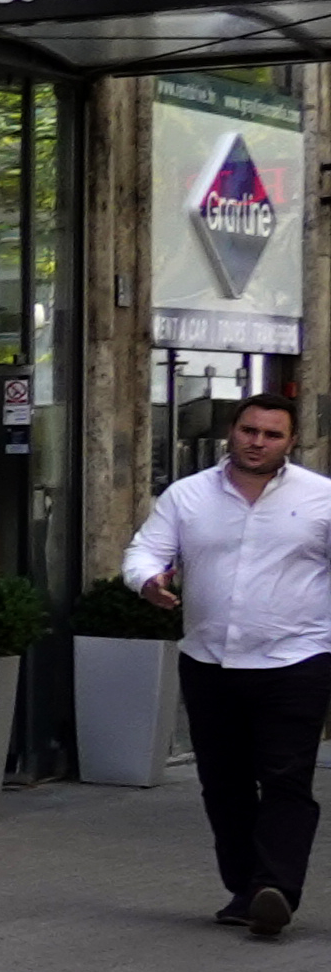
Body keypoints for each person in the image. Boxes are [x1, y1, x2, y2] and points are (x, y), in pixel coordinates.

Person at [126, 388, 331, 938]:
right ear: (231, 431)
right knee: (223, 782)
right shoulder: (187, 496)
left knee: (286, 778)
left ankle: (277, 888)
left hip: (296, 660)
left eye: (271, 434)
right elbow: (145, 549)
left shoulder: (321, 499)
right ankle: (247, 888)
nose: (257, 442)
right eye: (249, 431)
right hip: (209, 660)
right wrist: (148, 580)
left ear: (291, 441)